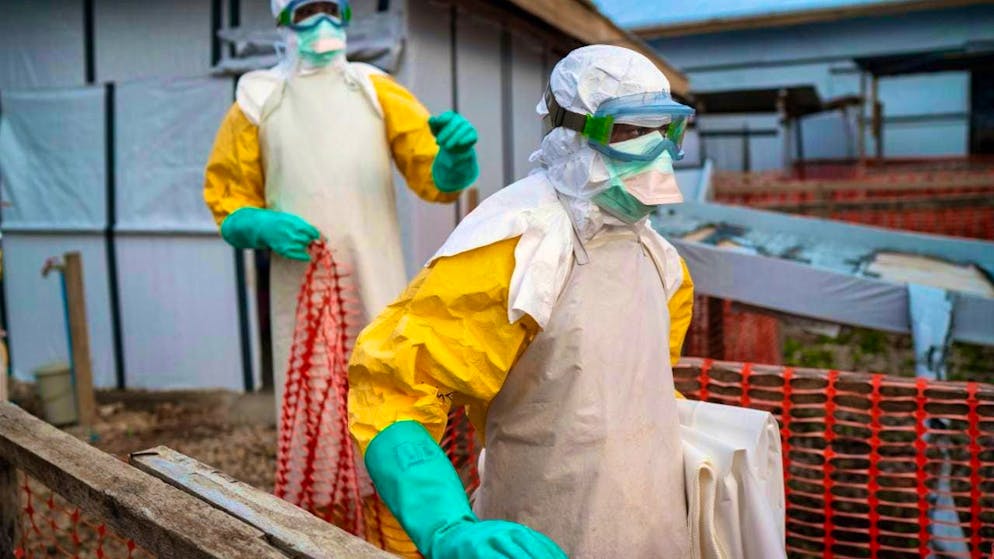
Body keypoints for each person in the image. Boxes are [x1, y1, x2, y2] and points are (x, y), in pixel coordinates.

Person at [348, 44, 696, 558]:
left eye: (664, 132)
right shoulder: (517, 245)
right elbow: (395, 388)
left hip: (655, 523)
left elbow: (639, 391)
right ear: (574, 133)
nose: (655, 155)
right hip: (538, 527)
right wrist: (445, 526)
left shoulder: (662, 263)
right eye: (629, 133)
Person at [203, 0, 478, 426]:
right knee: (314, 396)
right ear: (283, 23)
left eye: (333, 9)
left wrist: (454, 159)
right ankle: (321, 493)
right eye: (307, 12)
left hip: (375, 269)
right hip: (302, 281)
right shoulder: (256, 99)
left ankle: (383, 490)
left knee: (384, 383)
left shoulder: (375, 88)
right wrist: (256, 223)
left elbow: (433, 178)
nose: (323, 23)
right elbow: (229, 195)